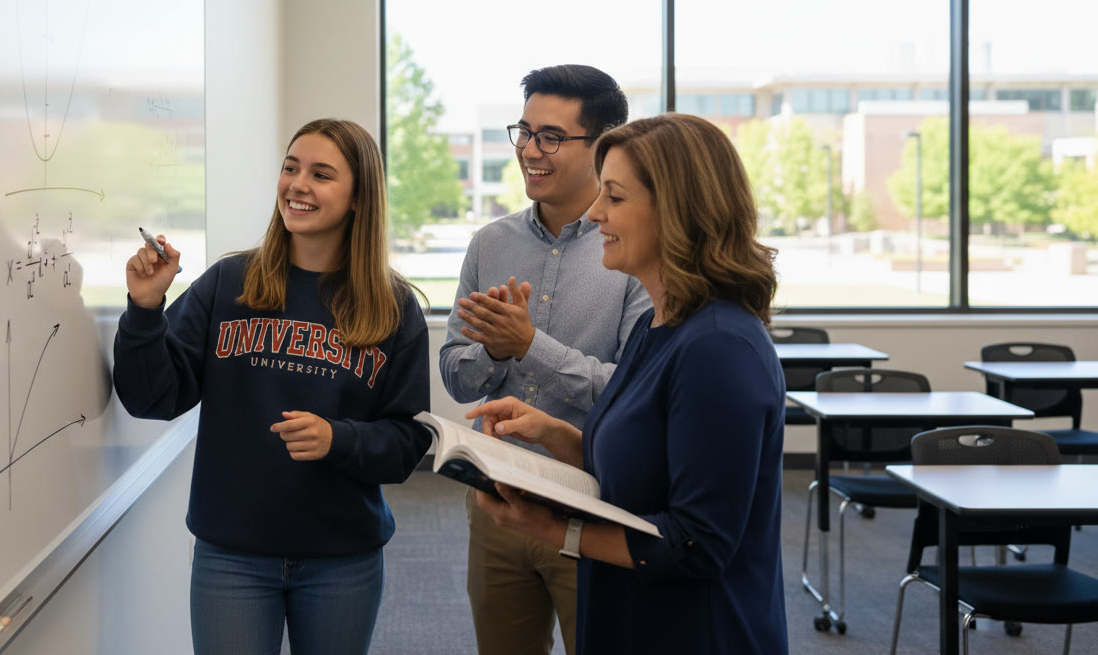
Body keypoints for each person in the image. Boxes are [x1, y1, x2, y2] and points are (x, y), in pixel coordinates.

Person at [466, 113, 789, 654]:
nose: (595, 214)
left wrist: (553, 530)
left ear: (678, 212)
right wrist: (552, 434)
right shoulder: (657, 324)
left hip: (696, 633)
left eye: (613, 198)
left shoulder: (718, 348)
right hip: (631, 615)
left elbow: (696, 544)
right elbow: (642, 467)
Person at [112, 118, 433, 655]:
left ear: (359, 198)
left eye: (321, 174)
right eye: (290, 168)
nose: (297, 184)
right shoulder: (228, 284)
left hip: (341, 557)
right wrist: (146, 309)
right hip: (232, 556)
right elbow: (152, 399)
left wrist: (339, 440)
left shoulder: (393, 307)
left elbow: (407, 443)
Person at [439, 64, 650, 655]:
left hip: (595, 505)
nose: (531, 150)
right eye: (524, 132)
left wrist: (532, 347)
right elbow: (456, 374)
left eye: (551, 137)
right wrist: (494, 351)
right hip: (497, 500)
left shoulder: (631, 246)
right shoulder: (490, 243)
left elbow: (634, 392)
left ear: (602, 145)